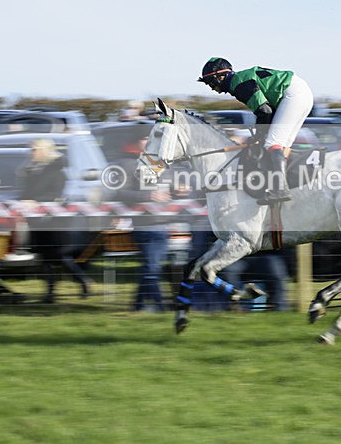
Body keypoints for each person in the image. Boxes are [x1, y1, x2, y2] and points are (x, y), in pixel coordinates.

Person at [197, 57, 314, 204]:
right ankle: (283, 185)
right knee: (280, 145)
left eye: (211, 82)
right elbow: (266, 112)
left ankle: (280, 189)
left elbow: (264, 111)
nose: (211, 87)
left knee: (273, 143)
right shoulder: (239, 81)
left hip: (293, 94)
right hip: (299, 93)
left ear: (221, 76)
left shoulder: (239, 84)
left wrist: (259, 135)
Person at [109, 127, 176, 312]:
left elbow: (169, 188)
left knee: (150, 268)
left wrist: (178, 190)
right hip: (145, 225)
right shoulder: (126, 163)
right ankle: (160, 307)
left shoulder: (161, 162)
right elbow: (118, 192)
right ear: (136, 141)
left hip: (164, 224)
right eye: (146, 138)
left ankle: (137, 306)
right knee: (152, 268)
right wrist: (148, 197)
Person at [19, 138, 91, 303]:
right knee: (45, 258)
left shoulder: (57, 171)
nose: (32, 153)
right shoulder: (32, 170)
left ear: (44, 151)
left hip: (53, 222)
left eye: (34, 149)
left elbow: (55, 194)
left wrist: (35, 201)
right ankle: (50, 293)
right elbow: (26, 192)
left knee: (59, 256)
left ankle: (82, 282)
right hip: (36, 221)